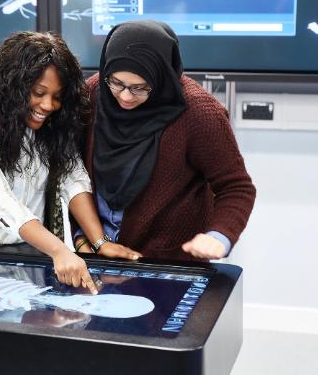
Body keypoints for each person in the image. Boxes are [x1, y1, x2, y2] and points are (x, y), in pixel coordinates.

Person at [0, 31, 140, 293]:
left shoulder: (54, 125)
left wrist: (100, 242)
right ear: (12, 85)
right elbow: (0, 204)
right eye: (38, 92)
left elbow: (73, 177)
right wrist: (60, 250)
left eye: (57, 96)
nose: (48, 105)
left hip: (34, 256)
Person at [75, 20, 256, 261]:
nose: (125, 96)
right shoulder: (93, 93)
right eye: (117, 83)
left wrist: (218, 235)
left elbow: (237, 188)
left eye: (140, 88)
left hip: (165, 264)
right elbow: (69, 171)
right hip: (95, 254)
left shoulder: (199, 113)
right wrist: (81, 236)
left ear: (161, 77)